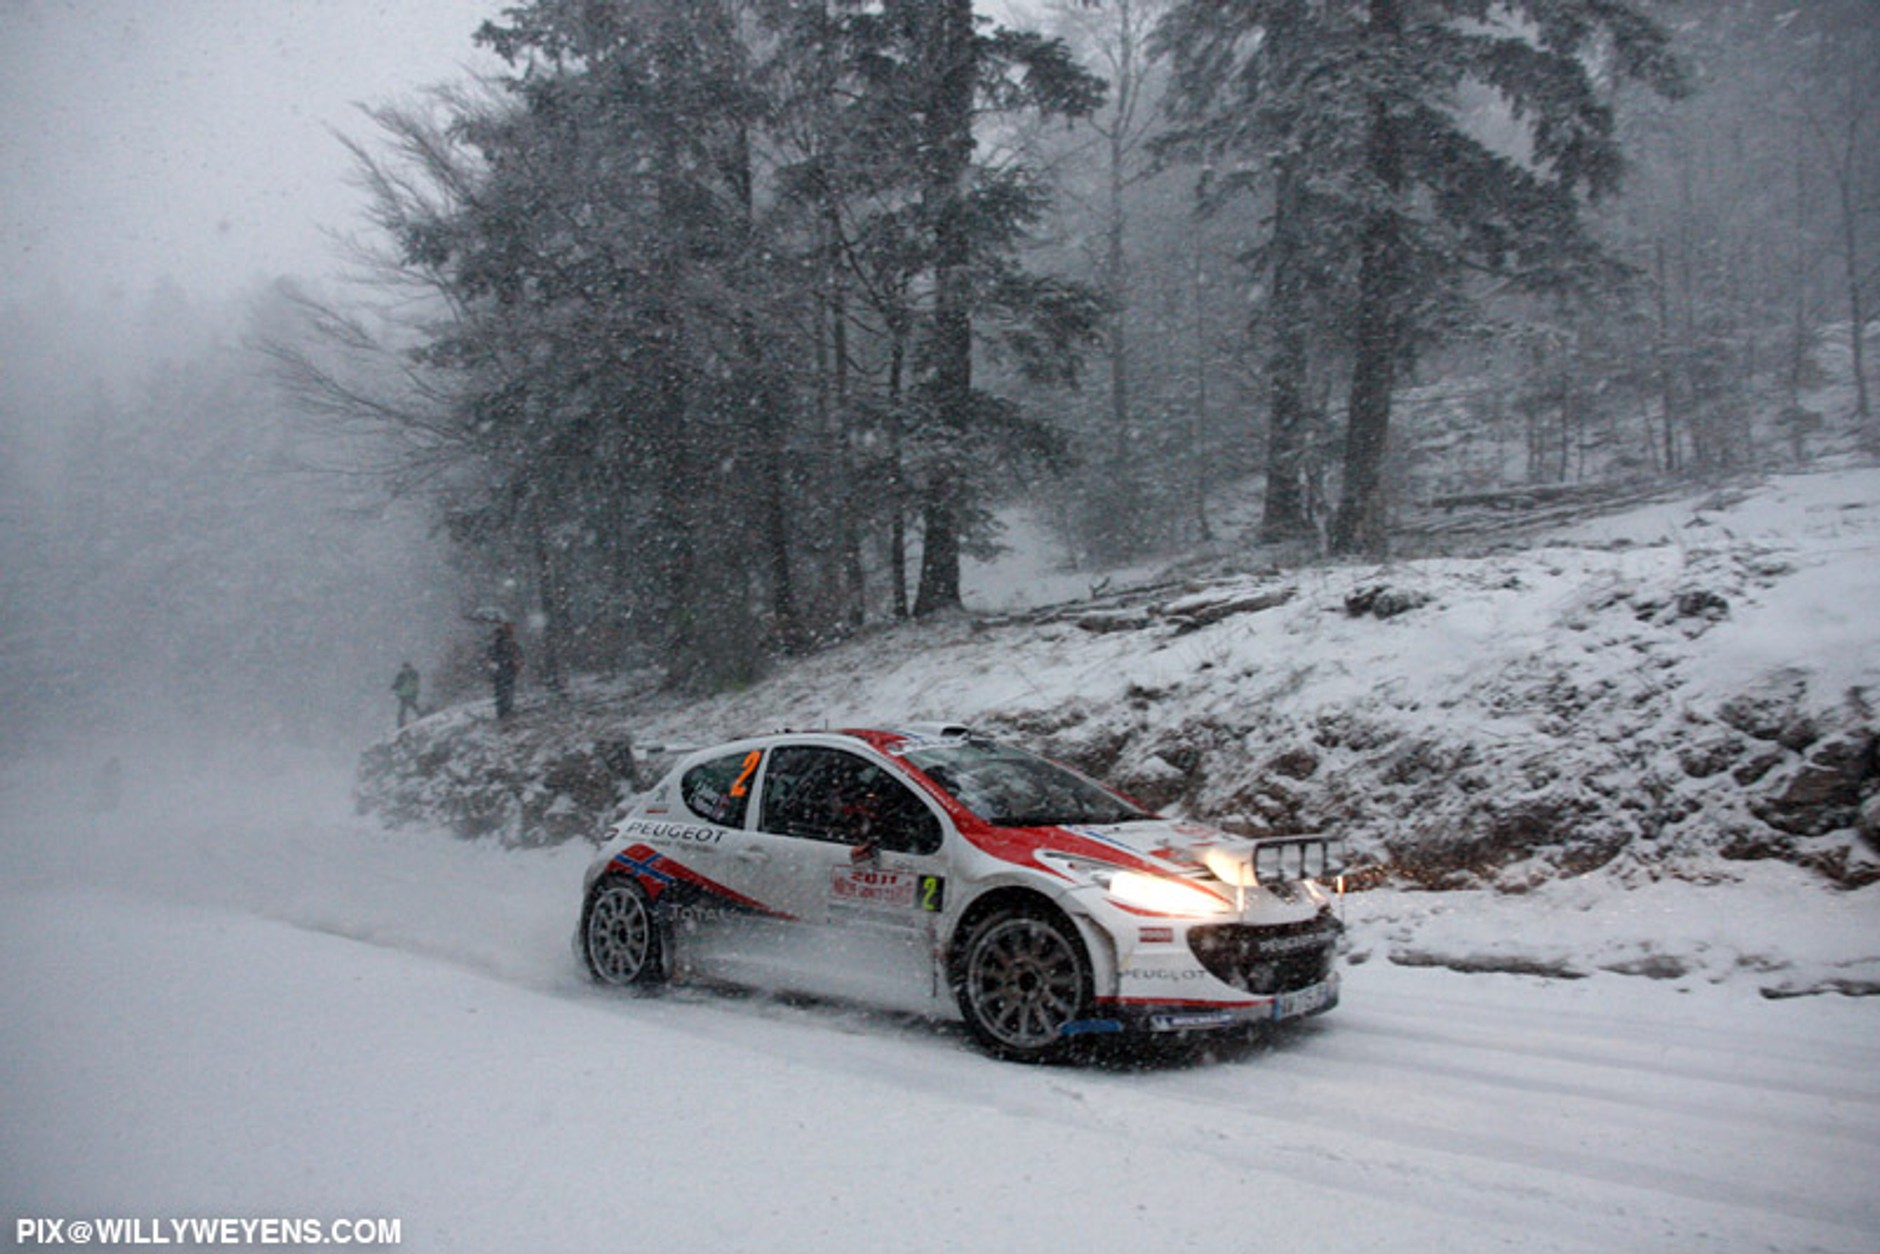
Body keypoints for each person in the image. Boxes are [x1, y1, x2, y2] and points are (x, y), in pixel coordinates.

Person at [489, 622, 523, 722]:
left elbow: (492, 658)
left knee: (504, 693)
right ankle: (505, 714)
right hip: (505, 670)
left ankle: (504, 713)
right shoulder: (506, 642)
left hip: (504, 671)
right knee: (506, 692)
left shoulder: (506, 642)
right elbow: (515, 655)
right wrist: (513, 662)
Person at [391, 662, 422, 728]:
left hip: (407, 694)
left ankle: (401, 723)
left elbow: (398, 684)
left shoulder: (407, 675)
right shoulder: (412, 674)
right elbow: (398, 683)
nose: (405, 669)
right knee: (411, 706)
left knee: (405, 708)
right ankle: (420, 714)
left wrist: (395, 687)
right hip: (406, 694)